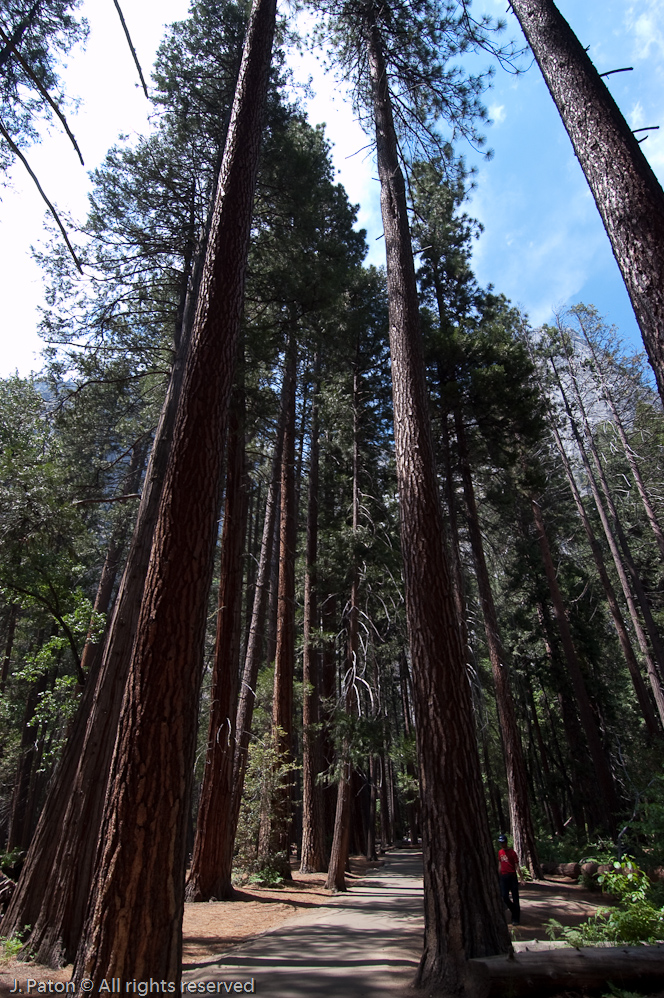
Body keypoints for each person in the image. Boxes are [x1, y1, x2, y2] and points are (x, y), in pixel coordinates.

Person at [497, 834, 520, 925]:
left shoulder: (512, 852)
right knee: (504, 896)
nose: (502, 844)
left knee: (515, 898)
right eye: (500, 843)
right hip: (503, 877)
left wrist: (521, 878)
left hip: (512, 876)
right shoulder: (500, 852)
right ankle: (513, 909)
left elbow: (517, 865)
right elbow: (500, 864)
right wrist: (498, 875)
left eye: (503, 842)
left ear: (506, 842)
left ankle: (515, 919)